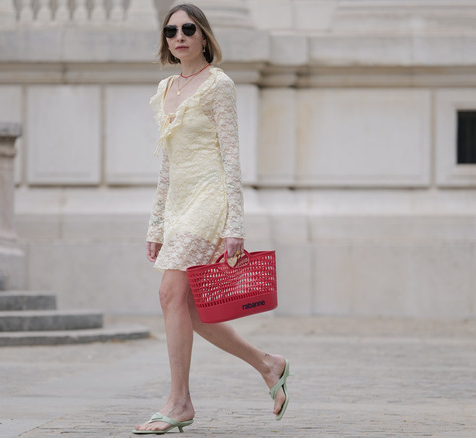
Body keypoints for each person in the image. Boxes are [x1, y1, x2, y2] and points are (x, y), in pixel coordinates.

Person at [133, 4, 291, 435]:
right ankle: (268, 364)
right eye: (170, 31)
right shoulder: (166, 87)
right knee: (190, 306)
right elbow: (166, 166)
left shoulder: (219, 85)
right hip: (179, 202)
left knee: (169, 292)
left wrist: (235, 225)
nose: (178, 36)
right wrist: (156, 226)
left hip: (210, 199)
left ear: (204, 36)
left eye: (188, 28)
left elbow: (231, 158)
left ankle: (180, 401)